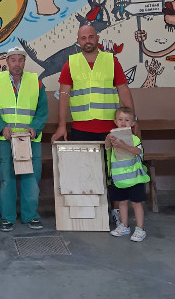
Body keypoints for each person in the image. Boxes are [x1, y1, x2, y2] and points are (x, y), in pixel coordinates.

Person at [52, 24, 135, 226]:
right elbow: (63, 96)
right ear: (78, 41)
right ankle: (91, 212)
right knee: (85, 173)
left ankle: (115, 211)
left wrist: (132, 122)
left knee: (114, 173)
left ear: (97, 38)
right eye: (83, 38)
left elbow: (123, 91)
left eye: (91, 37)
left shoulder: (111, 61)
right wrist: (62, 126)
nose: (87, 41)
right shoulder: (70, 63)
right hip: (82, 130)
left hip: (111, 129)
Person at [0, 46, 48, 232]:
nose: (17, 64)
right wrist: (1, 127)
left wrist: (35, 128)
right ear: (7, 62)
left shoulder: (36, 82)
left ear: (24, 62)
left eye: (20, 60)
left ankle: (30, 216)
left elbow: (42, 111)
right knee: (7, 178)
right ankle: (7, 218)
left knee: (31, 178)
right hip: (5, 139)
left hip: (30, 139)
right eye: (13, 60)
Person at [106, 106, 150, 242]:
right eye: (120, 119)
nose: (123, 122)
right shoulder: (113, 139)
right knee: (122, 203)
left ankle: (140, 229)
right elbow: (107, 146)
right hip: (120, 179)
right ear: (115, 121)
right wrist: (108, 137)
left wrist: (123, 146)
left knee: (136, 203)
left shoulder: (135, 139)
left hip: (135, 179)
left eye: (127, 120)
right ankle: (124, 226)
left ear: (132, 123)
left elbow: (138, 152)